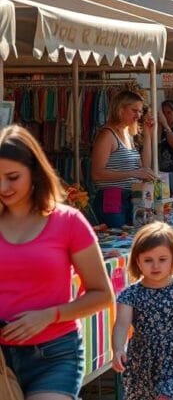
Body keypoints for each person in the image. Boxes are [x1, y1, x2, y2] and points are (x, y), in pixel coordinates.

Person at [0, 126, 115, 400]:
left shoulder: (68, 221)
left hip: (54, 354)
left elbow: (102, 295)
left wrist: (49, 316)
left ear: (35, 171)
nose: (3, 187)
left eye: (12, 177)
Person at [112, 222, 173, 400]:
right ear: (138, 262)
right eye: (148, 260)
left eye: (162, 259)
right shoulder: (131, 294)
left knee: (165, 396)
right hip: (143, 359)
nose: (155, 266)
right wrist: (118, 349)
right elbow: (121, 325)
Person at [91, 90, 158, 227]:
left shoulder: (128, 134)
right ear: (121, 109)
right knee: (117, 237)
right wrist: (134, 173)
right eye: (134, 111)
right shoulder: (107, 135)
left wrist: (147, 135)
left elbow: (144, 167)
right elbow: (97, 174)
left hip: (131, 196)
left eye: (140, 111)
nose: (138, 116)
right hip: (112, 196)